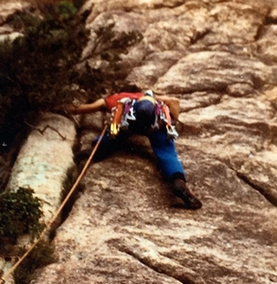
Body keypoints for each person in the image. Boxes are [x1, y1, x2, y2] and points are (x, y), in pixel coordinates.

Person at [68, 89, 202, 210]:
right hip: (154, 125)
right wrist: (172, 125)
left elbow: (85, 108)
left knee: (114, 133)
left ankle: (97, 149)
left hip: (130, 124)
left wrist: (60, 108)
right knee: (168, 154)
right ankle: (179, 182)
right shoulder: (155, 100)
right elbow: (175, 102)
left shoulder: (118, 98)